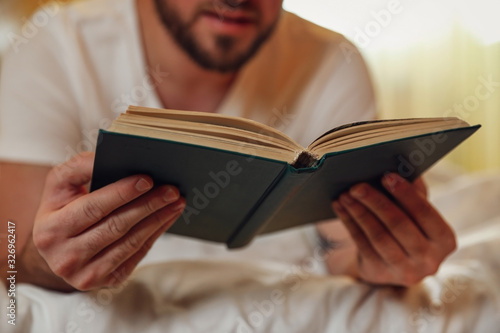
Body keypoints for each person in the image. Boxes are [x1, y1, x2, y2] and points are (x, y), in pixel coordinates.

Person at [0, 0, 456, 292]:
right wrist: (50, 261)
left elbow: (338, 244)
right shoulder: (53, 49)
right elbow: (12, 257)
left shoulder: (332, 61)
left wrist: (385, 259)